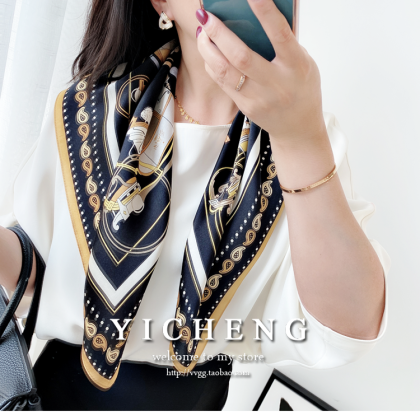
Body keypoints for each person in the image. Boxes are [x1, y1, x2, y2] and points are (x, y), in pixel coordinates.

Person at [0, 0, 389, 411]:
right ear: (162, 4)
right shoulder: (89, 110)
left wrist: (299, 137)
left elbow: (351, 326)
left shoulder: (307, 140)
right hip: (53, 394)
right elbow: (40, 270)